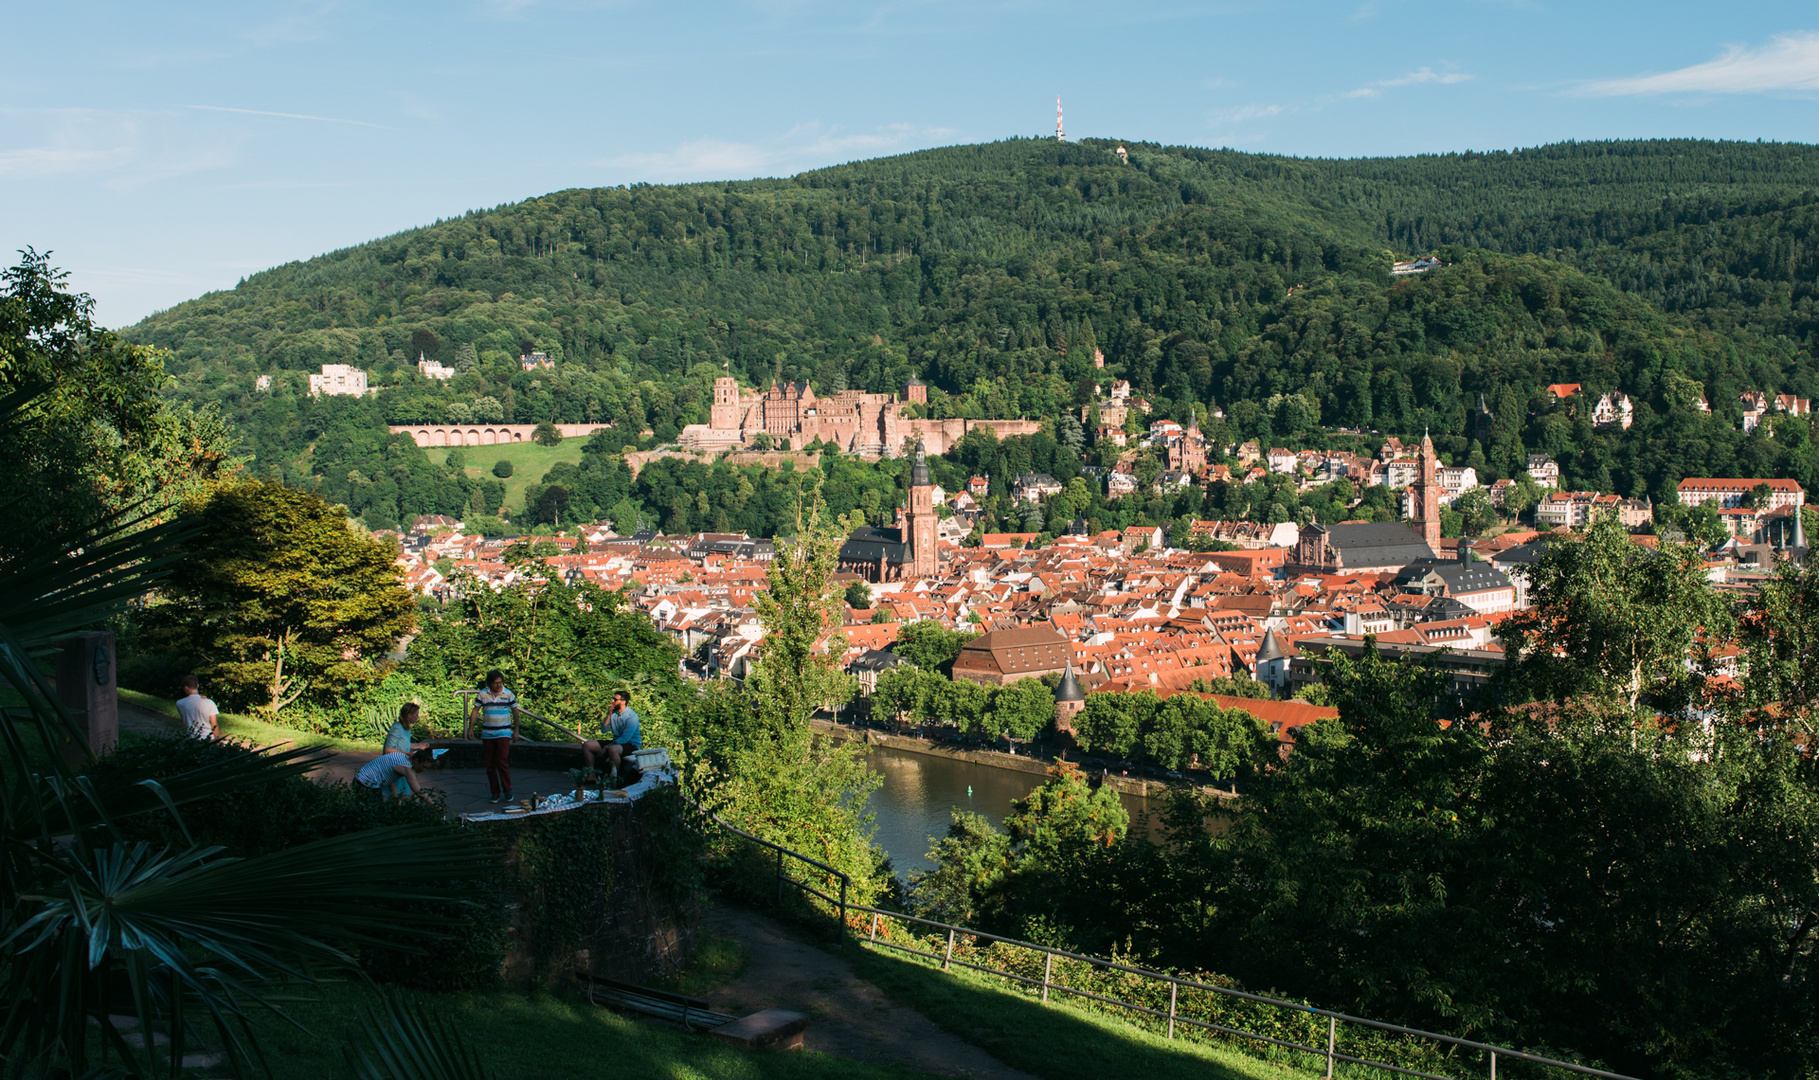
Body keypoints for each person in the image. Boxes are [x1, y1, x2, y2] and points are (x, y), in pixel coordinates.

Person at [466, 669, 520, 804]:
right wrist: (470, 728)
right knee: (490, 764)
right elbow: (475, 710)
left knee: (501, 761)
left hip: (503, 732)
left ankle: (507, 790)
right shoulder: (483, 694)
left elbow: (515, 711)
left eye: (500, 683)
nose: (498, 685)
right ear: (490, 683)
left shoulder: (507, 694)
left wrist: (516, 730)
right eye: (496, 683)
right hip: (488, 733)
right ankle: (495, 792)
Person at [582, 690, 640, 775]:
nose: (612, 701)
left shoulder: (631, 717)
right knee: (587, 745)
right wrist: (609, 714)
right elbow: (604, 730)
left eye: (615, 700)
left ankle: (614, 778)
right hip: (616, 742)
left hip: (630, 744)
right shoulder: (613, 713)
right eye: (613, 699)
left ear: (623, 702)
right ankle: (591, 774)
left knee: (613, 749)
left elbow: (625, 738)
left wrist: (606, 748)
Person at [382, 702, 430, 797]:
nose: (418, 716)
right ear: (409, 715)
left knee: (404, 796)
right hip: (394, 766)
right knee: (397, 797)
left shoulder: (406, 728)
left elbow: (403, 744)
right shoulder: (397, 728)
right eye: (416, 714)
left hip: (403, 764)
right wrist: (408, 753)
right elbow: (388, 750)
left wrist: (418, 746)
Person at [355, 750, 423, 799]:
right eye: (423, 767)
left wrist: (396, 797)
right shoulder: (406, 767)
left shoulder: (403, 758)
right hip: (366, 783)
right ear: (416, 761)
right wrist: (432, 804)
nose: (424, 771)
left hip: (361, 779)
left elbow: (390, 777)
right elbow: (417, 790)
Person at [175, 675, 219, 740]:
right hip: (207, 738)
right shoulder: (210, 703)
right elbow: (214, 725)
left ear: (185, 688)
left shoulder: (179, 703)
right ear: (197, 686)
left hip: (190, 738)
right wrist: (218, 740)